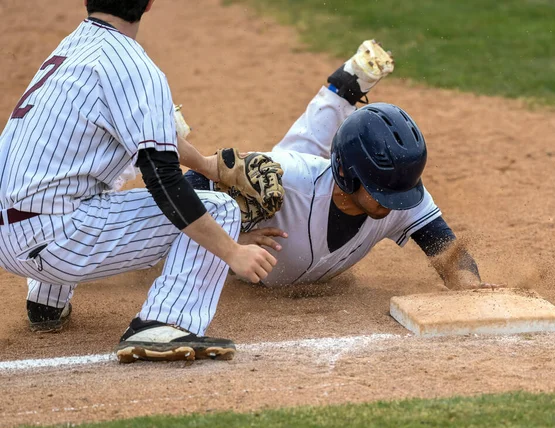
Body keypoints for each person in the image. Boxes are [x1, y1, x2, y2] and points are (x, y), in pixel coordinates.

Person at [0, 0, 277, 363]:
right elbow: (163, 181)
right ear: (148, 5)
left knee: (78, 170)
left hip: (8, 238)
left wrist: (208, 166)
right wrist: (232, 252)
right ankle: (164, 322)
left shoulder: (70, 49)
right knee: (220, 208)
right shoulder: (134, 66)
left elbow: (155, 133)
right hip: (56, 241)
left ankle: (46, 302)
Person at [186, 40, 501, 290]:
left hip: (308, 179)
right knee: (286, 168)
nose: (393, 205)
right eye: (381, 192)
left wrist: (469, 286)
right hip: (295, 180)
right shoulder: (287, 176)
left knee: (304, 151)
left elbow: (447, 252)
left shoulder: (400, 189)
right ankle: (343, 87)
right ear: (347, 176)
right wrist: (228, 242)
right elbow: (187, 185)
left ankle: (347, 85)